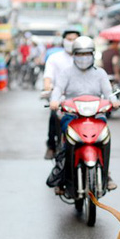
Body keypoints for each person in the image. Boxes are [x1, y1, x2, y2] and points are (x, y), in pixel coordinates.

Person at [48, 36, 120, 195]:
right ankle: (62, 176)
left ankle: (106, 174)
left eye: (87, 53)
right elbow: (58, 89)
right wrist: (54, 101)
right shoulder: (66, 73)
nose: (83, 57)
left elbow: (109, 93)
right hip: (72, 115)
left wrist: (114, 101)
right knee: (67, 142)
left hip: (96, 115)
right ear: (73, 54)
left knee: (105, 138)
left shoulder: (100, 73)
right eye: (80, 54)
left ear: (93, 54)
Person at [41, 29, 81, 160]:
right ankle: (51, 146)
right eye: (69, 39)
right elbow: (48, 77)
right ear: (63, 41)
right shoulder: (55, 58)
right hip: (61, 99)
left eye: (75, 39)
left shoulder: (84, 58)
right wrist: (48, 87)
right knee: (54, 116)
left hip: (83, 100)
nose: (72, 42)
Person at [101, 41, 120, 118]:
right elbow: (115, 62)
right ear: (114, 44)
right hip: (113, 76)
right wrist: (117, 74)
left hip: (106, 76)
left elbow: (101, 64)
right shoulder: (115, 52)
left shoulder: (104, 52)